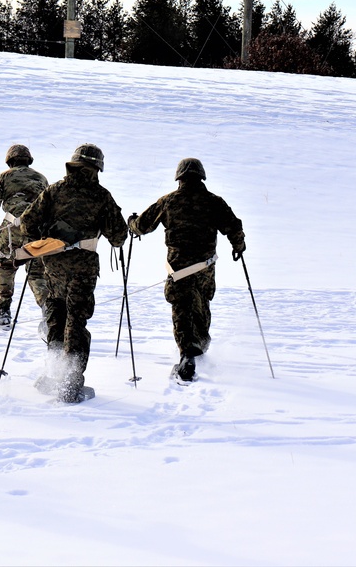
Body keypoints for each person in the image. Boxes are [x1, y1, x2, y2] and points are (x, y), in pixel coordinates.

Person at [20, 144, 128, 403]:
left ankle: (54, 374)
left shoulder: (54, 190)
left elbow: (26, 222)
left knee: (56, 315)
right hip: (83, 268)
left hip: (53, 265)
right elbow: (118, 237)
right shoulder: (101, 196)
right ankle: (71, 383)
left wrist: (44, 241)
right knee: (76, 321)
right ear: (97, 168)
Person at [128, 158, 245, 382]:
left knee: (182, 308)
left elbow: (142, 226)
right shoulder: (214, 202)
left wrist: (131, 223)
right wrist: (239, 246)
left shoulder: (169, 202)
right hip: (205, 268)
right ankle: (199, 348)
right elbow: (234, 227)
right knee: (201, 305)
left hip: (178, 268)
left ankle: (187, 355)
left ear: (179, 178)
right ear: (201, 177)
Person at [0, 144, 49, 327]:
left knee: (5, 266)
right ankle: (48, 311)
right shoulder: (42, 178)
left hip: (11, 229)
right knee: (37, 272)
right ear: (28, 160)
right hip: (38, 230)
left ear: (10, 160)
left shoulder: (3, 177)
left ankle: (4, 312)